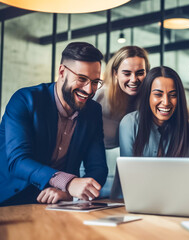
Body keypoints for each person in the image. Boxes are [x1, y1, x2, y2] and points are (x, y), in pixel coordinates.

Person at [0, 42, 108, 206]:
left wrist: (68, 192)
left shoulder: (93, 111)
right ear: (62, 72)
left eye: (95, 82)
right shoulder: (24, 100)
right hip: (11, 199)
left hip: (59, 203)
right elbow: (18, 161)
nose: (89, 89)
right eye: (82, 79)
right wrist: (69, 182)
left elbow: (98, 167)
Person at [110, 66, 189, 198]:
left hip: (169, 202)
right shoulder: (130, 123)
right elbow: (129, 176)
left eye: (172, 95)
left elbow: (180, 178)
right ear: (147, 96)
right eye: (158, 94)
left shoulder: (187, 128)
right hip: (127, 201)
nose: (166, 102)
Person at [93, 46, 150, 149]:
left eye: (140, 73)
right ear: (115, 73)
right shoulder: (100, 97)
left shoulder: (148, 101)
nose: (133, 79)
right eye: (127, 73)